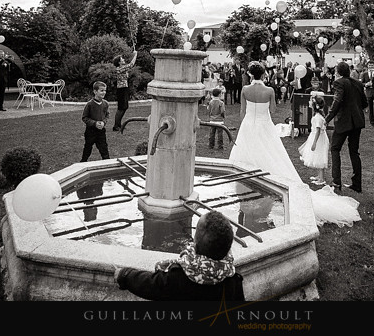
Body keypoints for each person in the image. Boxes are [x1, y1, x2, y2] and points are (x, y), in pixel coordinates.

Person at [229, 61, 360, 226]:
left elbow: (242, 111)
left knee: (246, 154)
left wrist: (245, 125)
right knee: (271, 154)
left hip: (248, 125)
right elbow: (273, 110)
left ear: (249, 74)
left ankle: (248, 185)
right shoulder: (269, 90)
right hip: (264, 124)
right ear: (263, 75)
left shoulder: (245, 90)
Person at [113, 209, 245, 302]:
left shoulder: (180, 276)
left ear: (196, 243)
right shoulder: (231, 278)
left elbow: (149, 283)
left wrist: (124, 275)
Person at [324, 60, 367, 193]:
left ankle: (336, 182)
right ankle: (357, 184)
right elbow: (364, 103)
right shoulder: (358, 83)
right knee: (354, 152)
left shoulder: (338, 83)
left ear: (338, 72)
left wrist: (327, 119)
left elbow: (337, 101)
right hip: (357, 121)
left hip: (344, 121)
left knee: (335, 149)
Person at [298, 94, 330, 185]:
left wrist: (314, 143)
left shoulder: (318, 118)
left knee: (320, 156)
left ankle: (322, 179)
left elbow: (318, 130)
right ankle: (319, 176)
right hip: (316, 136)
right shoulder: (317, 116)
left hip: (318, 139)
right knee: (317, 156)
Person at [81, 81, 110, 162]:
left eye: (105, 90)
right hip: (90, 131)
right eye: (101, 90)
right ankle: (83, 162)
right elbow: (84, 118)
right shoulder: (90, 104)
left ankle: (107, 163)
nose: (104, 92)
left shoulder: (105, 104)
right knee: (88, 148)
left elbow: (107, 115)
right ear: (95, 91)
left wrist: (104, 122)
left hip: (101, 131)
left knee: (104, 149)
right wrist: (94, 123)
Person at [111, 50, 138, 132]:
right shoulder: (119, 69)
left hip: (124, 89)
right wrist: (136, 54)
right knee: (121, 108)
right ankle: (116, 126)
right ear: (119, 62)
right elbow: (131, 64)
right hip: (121, 90)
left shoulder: (122, 68)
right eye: (121, 59)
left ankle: (119, 125)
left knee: (124, 107)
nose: (123, 59)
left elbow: (128, 65)